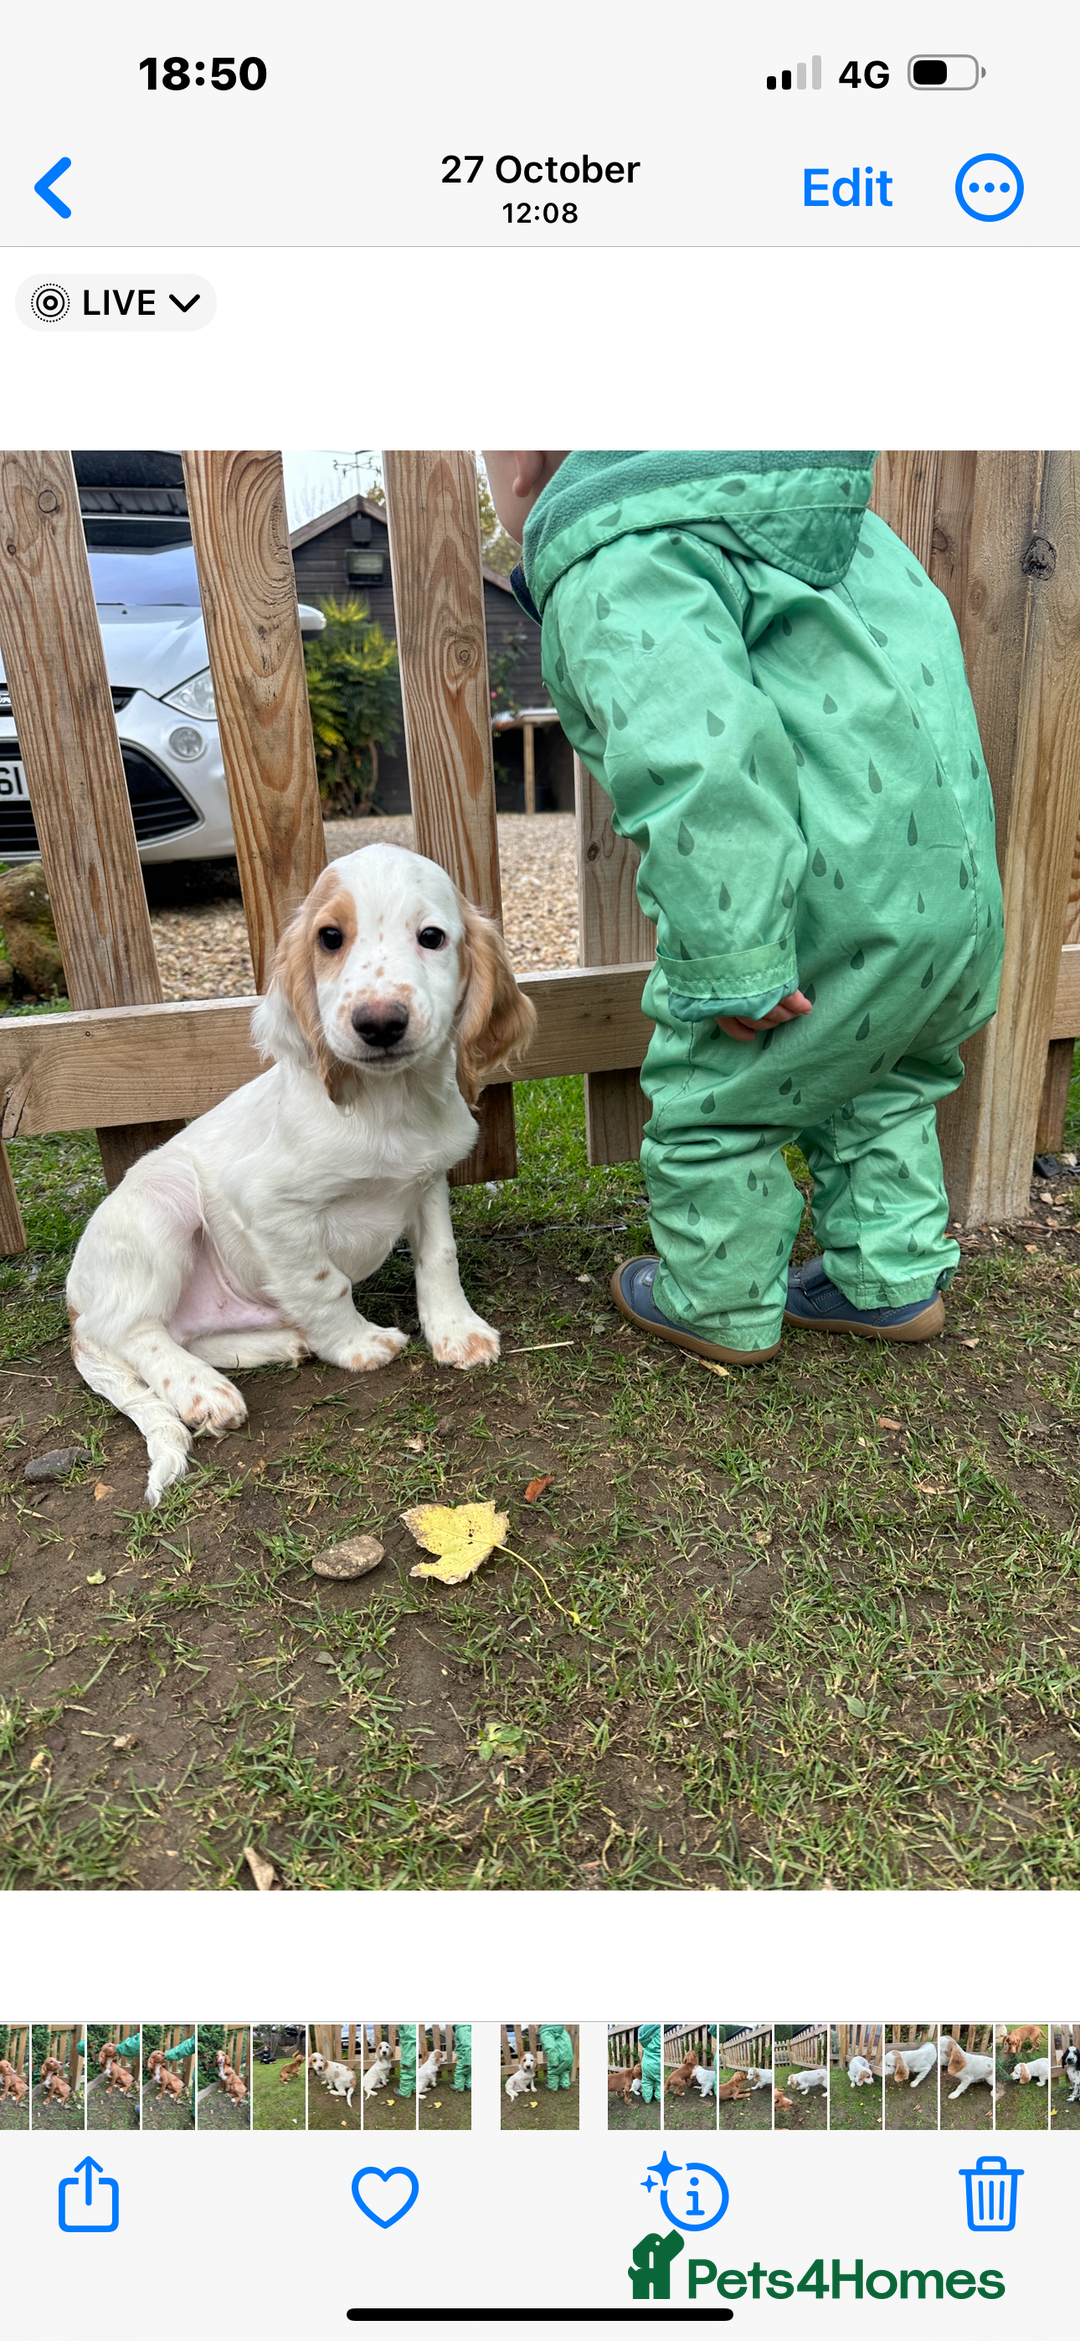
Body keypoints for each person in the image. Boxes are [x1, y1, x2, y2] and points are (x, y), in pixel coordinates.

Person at [483, 450, 1003, 1363]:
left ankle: (716, 1299)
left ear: (529, 456)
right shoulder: (837, 519)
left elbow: (698, 756)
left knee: (716, 1100)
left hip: (824, 913)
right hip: (946, 893)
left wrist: (736, 954)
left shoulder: (625, 551)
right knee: (885, 1079)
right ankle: (892, 1277)